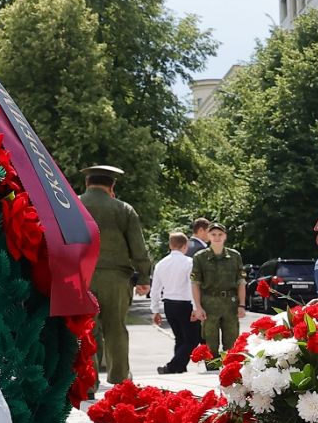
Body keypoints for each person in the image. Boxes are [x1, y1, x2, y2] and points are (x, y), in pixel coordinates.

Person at [77, 165, 151, 388]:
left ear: (88, 183)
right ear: (112, 187)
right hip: (117, 279)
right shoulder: (124, 209)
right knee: (116, 328)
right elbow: (138, 248)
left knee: (87, 329)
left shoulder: (73, 205)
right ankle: (119, 382)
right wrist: (144, 278)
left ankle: (88, 384)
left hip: (82, 277)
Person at [189, 223, 245, 364]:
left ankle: (230, 372)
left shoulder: (234, 256)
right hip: (209, 303)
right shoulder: (200, 257)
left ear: (225, 236)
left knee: (232, 344)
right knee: (210, 344)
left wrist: (242, 305)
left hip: (230, 304)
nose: (217, 237)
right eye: (213, 234)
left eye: (220, 234)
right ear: (208, 236)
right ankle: (212, 372)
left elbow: (241, 282)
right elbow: (195, 283)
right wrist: (198, 307)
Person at [149, 232, 200, 373]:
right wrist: (196, 308)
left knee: (180, 338)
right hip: (185, 304)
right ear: (185, 246)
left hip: (169, 304)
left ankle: (180, 368)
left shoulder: (161, 264)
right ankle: (171, 367)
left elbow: (155, 290)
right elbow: (192, 285)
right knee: (192, 339)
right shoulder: (189, 263)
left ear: (170, 245)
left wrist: (155, 310)